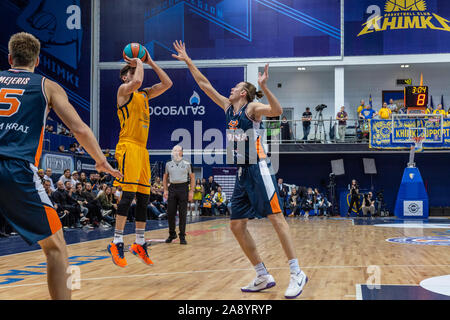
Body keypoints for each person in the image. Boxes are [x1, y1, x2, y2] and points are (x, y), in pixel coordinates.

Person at [172, 40, 307, 299]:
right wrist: (188, 60)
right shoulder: (227, 107)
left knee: (276, 219)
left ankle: (296, 272)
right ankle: (262, 275)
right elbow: (204, 85)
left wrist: (264, 87)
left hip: (259, 167)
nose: (231, 89)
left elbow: (277, 111)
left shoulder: (252, 108)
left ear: (244, 93)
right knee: (236, 225)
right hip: (242, 171)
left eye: (236, 87)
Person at [0, 32, 121, 300]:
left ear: (10, 58)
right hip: (16, 169)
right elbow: (79, 128)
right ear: (38, 60)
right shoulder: (47, 86)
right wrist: (101, 161)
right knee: (56, 248)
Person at [108, 45, 172, 267]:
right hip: (127, 146)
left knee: (144, 198)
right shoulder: (123, 91)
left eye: (136, 69)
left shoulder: (144, 95)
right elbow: (136, 82)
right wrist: (139, 62)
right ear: (125, 75)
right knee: (127, 196)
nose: (136, 73)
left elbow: (167, 84)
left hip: (143, 150)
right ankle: (116, 241)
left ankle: (139, 242)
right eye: (132, 70)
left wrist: (151, 62)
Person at [163, 145, 195, 245]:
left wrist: (191, 191)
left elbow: (192, 178)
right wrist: (165, 190)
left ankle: (182, 236)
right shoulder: (168, 164)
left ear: (182, 152)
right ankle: (172, 234)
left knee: (182, 213)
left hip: (183, 188)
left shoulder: (187, 164)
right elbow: (165, 178)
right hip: (172, 188)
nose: (176, 152)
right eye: (174, 150)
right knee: (170, 213)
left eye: (178, 150)